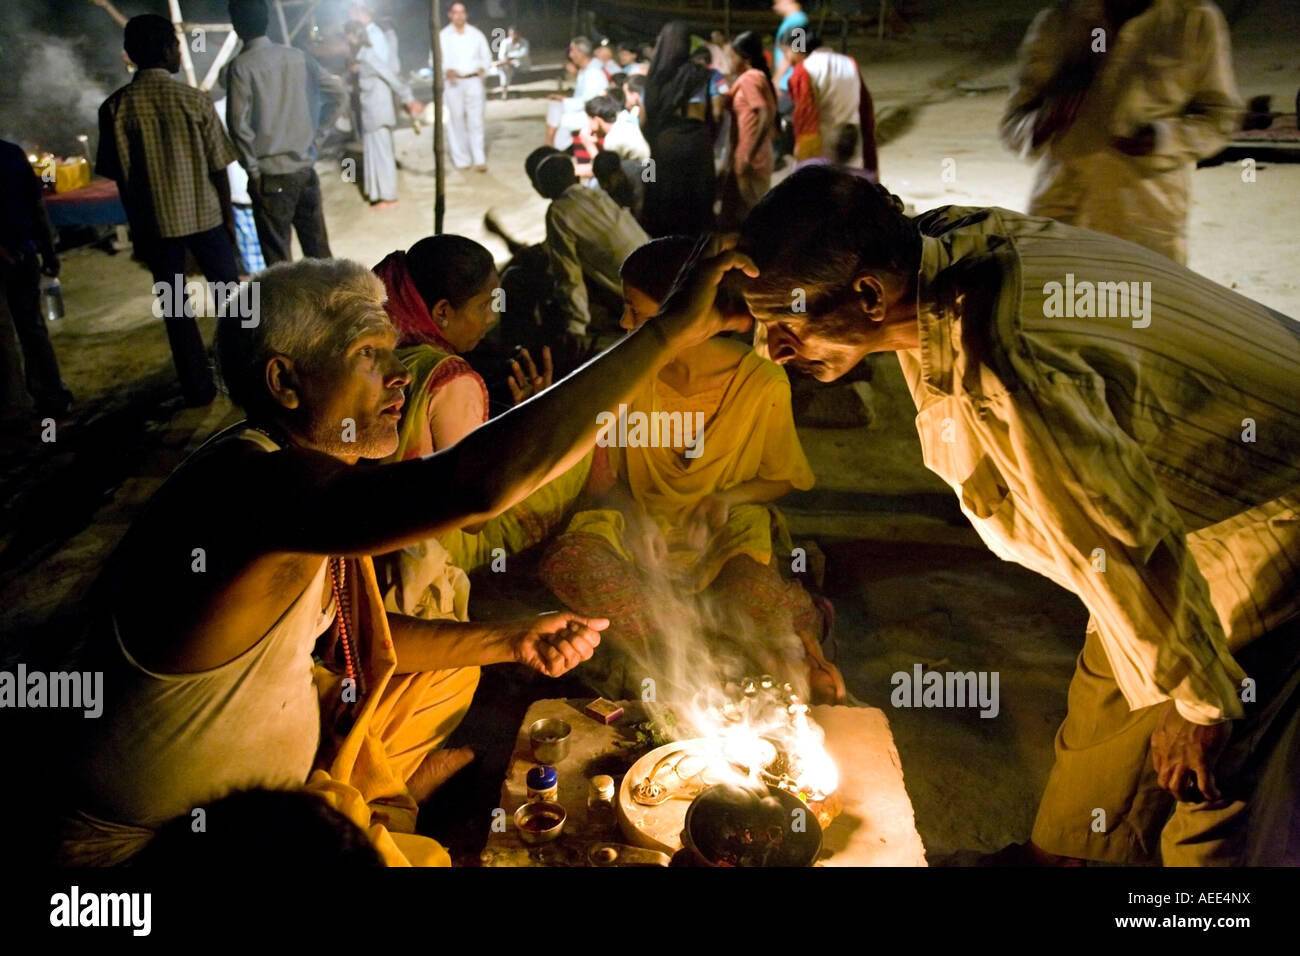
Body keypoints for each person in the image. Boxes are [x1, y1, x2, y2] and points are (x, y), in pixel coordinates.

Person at [56, 248, 752, 866]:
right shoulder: (251, 487)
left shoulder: (295, 473)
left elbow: (345, 649)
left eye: (393, 351)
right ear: (285, 382)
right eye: (367, 355)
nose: (397, 377)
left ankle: (388, 800)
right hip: (154, 849)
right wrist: (665, 333)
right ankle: (392, 804)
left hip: (257, 799)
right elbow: (478, 484)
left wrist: (511, 639)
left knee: (450, 667)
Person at [733, 165, 1300, 865]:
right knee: (1098, 765)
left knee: (1209, 797)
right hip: (1167, 531)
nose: (772, 350)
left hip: (1267, 522)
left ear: (870, 293)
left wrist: (1202, 705)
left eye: (786, 324)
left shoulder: (1012, 365)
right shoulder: (932, 246)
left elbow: (1125, 543)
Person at [540, 236, 843, 704]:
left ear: (690, 313)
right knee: (572, 563)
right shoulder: (624, 374)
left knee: (752, 596)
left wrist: (726, 498)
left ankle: (671, 648)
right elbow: (604, 482)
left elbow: (783, 476)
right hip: (635, 522)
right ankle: (695, 647)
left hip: (722, 529)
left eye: (635, 312)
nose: (623, 324)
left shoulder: (761, 381)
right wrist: (635, 518)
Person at [371, 236, 596, 619]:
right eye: (483, 305)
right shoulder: (450, 378)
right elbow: (476, 513)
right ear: (442, 311)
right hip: (435, 543)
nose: (492, 318)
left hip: (375, 526)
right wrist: (536, 427)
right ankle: (557, 550)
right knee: (583, 439)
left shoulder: (376, 350)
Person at [1000, 0, 1242, 265]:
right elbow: (1014, 122)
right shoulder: (1059, 21)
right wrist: (1045, 121)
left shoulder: (1194, 21)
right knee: (1059, 304)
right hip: (1061, 215)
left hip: (1146, 221)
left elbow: (1220, 117)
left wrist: (1163, 139)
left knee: (1141, 305)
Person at [97, 14, 240, 407]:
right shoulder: (194, 100)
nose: (180, 52)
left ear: (130, 55)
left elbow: (121, 179)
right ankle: (245, 374)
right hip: (206, 219)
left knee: (177, 310)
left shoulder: (115, 108)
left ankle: (198, 388)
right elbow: (219, 166)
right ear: (165, 50)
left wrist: (138, 230)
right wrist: (228, 219)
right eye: (176, 45)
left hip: (156, 227)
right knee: (233, 300)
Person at [226, 0, 346, 264]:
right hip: (305, 169)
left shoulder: (241, 67)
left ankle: (291, 307)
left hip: (270, 176)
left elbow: (238, 125)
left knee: (279, 263)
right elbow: (338, 94)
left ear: (236, 25)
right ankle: (331, 305)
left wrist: (253, 171)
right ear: (266, 20)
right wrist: (317, 134)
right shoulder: (298, 57)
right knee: (320, 254)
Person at [536, 153, 649, 346]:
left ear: (543, 189)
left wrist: (576, 327)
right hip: (660, 265)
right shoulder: (596, 194)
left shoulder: (559, 212)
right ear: (575, 176)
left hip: (639, 290)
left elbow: (568, 275)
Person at [0, 138, 72, 421]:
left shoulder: (12, 154)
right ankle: (51, 397)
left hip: (17, 254)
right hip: (22, 253)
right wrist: (49, 252)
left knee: (4, 334)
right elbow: (37, 207)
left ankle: (13, 404)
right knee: (31, 327)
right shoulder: (11, 153)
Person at [641, 21, 723, 237]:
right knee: (699, 197)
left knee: (665, 196)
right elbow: (716, 113)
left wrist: (655, 140)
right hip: (698, 141)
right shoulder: (705, 75)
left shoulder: (653, 79)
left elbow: (643, 119)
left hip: (665, 142)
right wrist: (708, 137)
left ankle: (667, 245)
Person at [345, 10, 423, 207]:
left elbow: (390, 76)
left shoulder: (370, 55)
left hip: (379, 111)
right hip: (371, 112)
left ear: (353, 37)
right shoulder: (363, 58)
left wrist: (408, 98)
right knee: (374, 154)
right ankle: (377, 194)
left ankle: (389, 196)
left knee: (383, 154)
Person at [786, 34, 878, 179]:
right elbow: (865, 104)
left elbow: (805, 115)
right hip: (851, 138)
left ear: (799, 50)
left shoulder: (804, 69)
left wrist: (802, 153)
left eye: (787, 52)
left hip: (821, 144)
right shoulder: (849, 63)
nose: (788, 59)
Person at [720, 31, 777, 230]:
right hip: (755, 154)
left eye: (732, 56)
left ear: (744, 58)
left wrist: (749, 155)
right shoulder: (755, 76)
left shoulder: (750, 78)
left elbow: (763, 114)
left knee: (756, 215)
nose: (729, 60)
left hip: (752, 158)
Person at [440, 1, 492, 171]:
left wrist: (483, 68)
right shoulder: (443, 36)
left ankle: (479, 158)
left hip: (473, 80)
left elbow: (486, 56)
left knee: (475, 120)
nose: (459, 15)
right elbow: (435, 60)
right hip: (453, 83)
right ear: (450, 15)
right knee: (456, 121)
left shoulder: (476, 34)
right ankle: (461, 160)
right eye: (455, 12)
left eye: (462, 12)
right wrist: (447, 71)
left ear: (466, 14)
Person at [546, 36, 608, 150]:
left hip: (592, 114)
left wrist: (565, 101)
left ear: (581, 53)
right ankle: (550, 144)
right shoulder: (585, 70)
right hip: (582, 109)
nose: (570, 55)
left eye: (572, 51)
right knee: (555, 106)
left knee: (563, 119)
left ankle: (553, 146)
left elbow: (589, 102)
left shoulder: (593, 73)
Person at [586, 94, 650, 165]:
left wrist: (589, 145)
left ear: (596, 120)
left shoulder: (612, 139)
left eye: (589, 120)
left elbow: (606, 172)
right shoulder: (624, 122)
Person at [489, 25, 530, 100]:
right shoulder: (505, 42)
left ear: (519, 34)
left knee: (503, 65)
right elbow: (501, 55)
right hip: (507, 65)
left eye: (516, 34)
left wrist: (509, 58)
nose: (514, 36)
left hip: (521, 65)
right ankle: (504, 92)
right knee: (505, 68)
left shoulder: (524, 42)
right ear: (509, 34)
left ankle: (504, 91)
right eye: (512, 34)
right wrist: (508, 61)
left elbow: (523, 54)